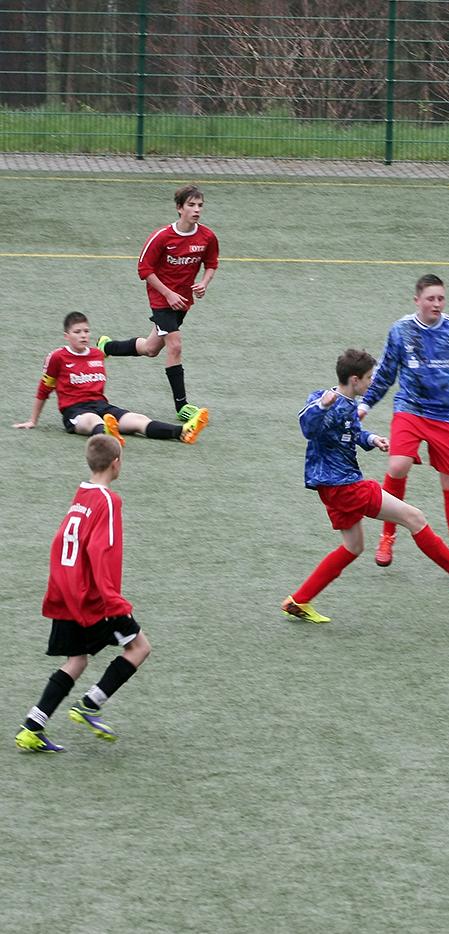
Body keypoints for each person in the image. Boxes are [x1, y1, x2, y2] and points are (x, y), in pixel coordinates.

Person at [282, 348, 449, 624]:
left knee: (353, 547)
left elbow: (352, 433)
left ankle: (299, 600)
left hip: (333, 487)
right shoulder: (324, 399)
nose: (372, 382)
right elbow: (307, 427)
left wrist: (372, 440)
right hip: (344, 486)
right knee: (414, 517)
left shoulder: (349, 404)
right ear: (355, 379)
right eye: (369, 378)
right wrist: (322, 406)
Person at [15, 435, 152, 752]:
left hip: (66, 593)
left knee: (76, 660)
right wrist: (112, 599)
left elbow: (60, 543)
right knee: (139, 648)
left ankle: (32, 727)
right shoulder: (108, 500)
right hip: (95, 598)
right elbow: (100, 550)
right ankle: (90, 704)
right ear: (116, 463)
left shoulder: (81, 496)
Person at [357, 274, 449, 568]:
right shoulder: (401, 331)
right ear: (417, 300)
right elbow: (386, 373)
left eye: (441, 298)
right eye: (431, 299)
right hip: (411, 409)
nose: (437, 304)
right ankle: (387, 535)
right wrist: (365, 405)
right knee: (397, 466)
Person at [98, 183, 218, 421]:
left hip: (182, 301)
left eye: (200, 205)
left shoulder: (207, 236)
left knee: (151, 349)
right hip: (162, 300)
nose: (197, 210)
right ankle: (182, 407)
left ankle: (107, 347)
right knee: (175, 346)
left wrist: (204, 283)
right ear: (179, 208)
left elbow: (211, 263)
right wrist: (168, 293)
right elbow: (144, 269)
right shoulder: (162, 237)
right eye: (191, 205)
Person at [14, 311, 209, 445]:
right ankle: (108, 434)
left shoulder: (97, 354)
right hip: (75, 410)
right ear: (67, 335)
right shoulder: (57, 357)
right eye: (77, 332)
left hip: (103, 406)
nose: (83, 336)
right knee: (91, 420)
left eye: (86, 331)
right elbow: (44, 389)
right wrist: (33, 420)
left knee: (138, 420)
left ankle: (182, 432)